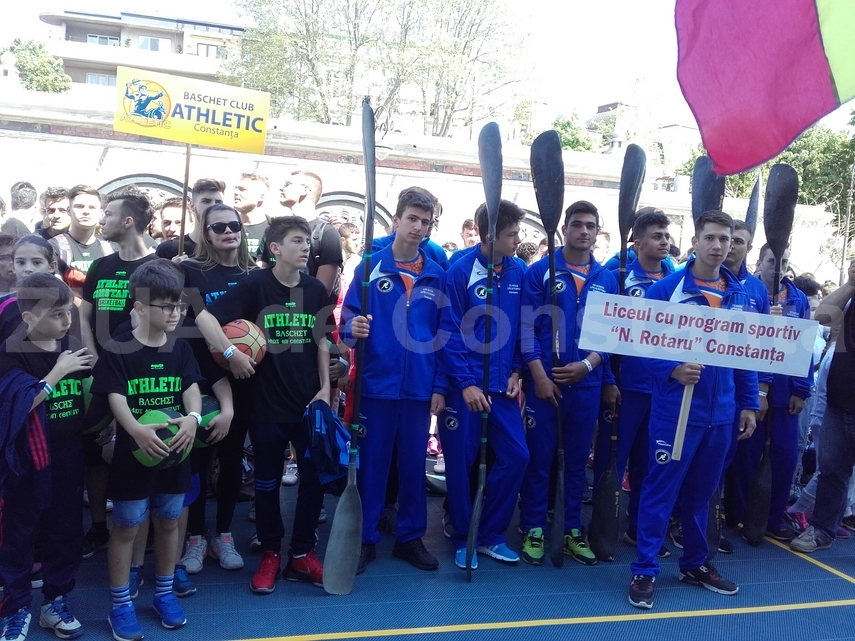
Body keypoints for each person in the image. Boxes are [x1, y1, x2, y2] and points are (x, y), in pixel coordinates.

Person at [627, 210, 759, 610]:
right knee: (660, 491)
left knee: (702, 495)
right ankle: (644, 569)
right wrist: (672, 369)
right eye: (712, 238)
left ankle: (695, 563)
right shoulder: (666, 290)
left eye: (727, 239)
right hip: (676, 412)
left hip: (721, 415)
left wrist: (749, 403)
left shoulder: (741, 294)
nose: (720, 246)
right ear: (695, 242)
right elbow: (637, 345)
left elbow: (747, 355)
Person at [195, 216, 332, 594]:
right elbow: (204, 315)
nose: (305, 247)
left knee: (313, 480)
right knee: (268, 484)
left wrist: (325, 389)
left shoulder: (316, 290)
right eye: (297, 241)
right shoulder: (255, 285)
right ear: (275, 249)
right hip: (267, 403)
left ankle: (301, 554)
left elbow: (322, 340)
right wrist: (228, 351)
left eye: (307, 241)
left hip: (308, 403)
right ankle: (271, 552)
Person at [90, 259, 202, 640]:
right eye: (166, 306)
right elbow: (115, 395)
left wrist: (193, 418)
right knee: (125, 527)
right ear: (139, 307)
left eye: (178, 306)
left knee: (169, 522)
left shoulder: (181, 348)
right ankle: (121, 604)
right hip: (134, 457)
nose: (174, 313)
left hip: (174, 455)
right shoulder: (120, 349)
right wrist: (135, 428)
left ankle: (165, 593)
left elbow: (191, 389)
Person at [341, 188, 445, 574]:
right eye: (412, 218)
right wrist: (353, 326)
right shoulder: (369, 268)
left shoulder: (438, 274)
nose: (418, 227)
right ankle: (365, 537)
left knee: (414, 464)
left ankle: (409, 538)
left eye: (425, 221)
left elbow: (446, 332)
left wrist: (441, 386)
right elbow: (346, 323)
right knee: (373, 466)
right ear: (396, 221)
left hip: (419, 388)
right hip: (376, 385)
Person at [518, 200, 618, 567]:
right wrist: (539, 375)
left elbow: (610, 338)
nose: (584, 231)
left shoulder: (607, 278)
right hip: (545, 385)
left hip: (586, 386)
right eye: (577, 224)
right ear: (564, 230)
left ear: (597, 232)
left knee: (577, 462)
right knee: (539, 459)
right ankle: (532, 527)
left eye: (591, 226)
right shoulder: (539, 271)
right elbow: (526, 327)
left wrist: (590, 367)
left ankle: (572, 528)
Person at [0, 272, 94, 641]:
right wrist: (58, 373)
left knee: (65, 531)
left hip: (68, 453)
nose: (66, 321)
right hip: (25, 459)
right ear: (28, 318)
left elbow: (91, 394)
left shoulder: (70, 345)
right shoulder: (11, 352)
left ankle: (55, 601)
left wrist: (100, 422)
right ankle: (16, 607)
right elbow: (20, 404)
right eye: (56, 314)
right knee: (19, 536)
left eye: (68, 312)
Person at [439, 199, 528, 570]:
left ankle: (491, 534)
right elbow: (447, 333)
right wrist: (464, 383)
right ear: (490, 235)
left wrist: (517, 371)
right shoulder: (460, 272)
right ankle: (464, 537)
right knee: (461, 464)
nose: (517, 239)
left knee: (517, 457)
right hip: (467, 390)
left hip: (502, 389)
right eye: (512, 234)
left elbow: (525, 325)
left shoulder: (519, 271)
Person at [79, 189, 158, 561]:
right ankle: (98, 526)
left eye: (108, 214)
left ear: (128, 222)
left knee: (137, 452)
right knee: (93, 451)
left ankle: (146, 535)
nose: (102, 220)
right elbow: (84, 313)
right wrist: (93, 353)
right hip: (99, 373)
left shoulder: (157, 268)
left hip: (138, 378)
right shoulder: (100, 266)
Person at [179, 204, 254, 578]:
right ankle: (194, 535)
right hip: (197, 377)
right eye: (218, 226)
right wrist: (228, 351)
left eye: (234, 225)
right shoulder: (189, 270)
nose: (228, 231)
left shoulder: (253, 275)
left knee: (231, 457)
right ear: (205, 233)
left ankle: (223, 533)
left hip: (240, 379)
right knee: (195, 461)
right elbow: (196, 316)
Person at [596, 210, 674, 554]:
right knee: (611, 462)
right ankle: (601, 528)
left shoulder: (676, 282)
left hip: (661, 390)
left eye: (666, 236)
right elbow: (605, 338)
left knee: (650, 464)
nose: (664, 242)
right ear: (638, 242)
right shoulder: (619, 278)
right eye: (657, 236)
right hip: (625, 389)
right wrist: (609, 380)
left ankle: (638, 529)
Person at [0, 236, 81, 346]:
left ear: (52, 266)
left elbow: (74, 346)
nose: (28, 268)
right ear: (13, 266)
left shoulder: (66, 304)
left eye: (37, 262)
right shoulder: (4, 305)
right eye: (20, 262)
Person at [51, 185, 114, 292]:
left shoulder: (111, 248)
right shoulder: (53, 247)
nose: (86, 211)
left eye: (92, 207)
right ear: (69, 211)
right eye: (79, 206)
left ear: (101, 213)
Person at [373, 187, 448, 270]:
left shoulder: (437, 253)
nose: (433, 220)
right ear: (396, 219)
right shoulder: (377, 247)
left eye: (432, 214)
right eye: (413, 218)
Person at [156, 179, 225, 261]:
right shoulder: (169, 249)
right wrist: (172, 268)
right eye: (206, 201)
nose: (213, 206)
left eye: (218, 202)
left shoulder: (227, 246)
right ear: (192, 206)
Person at [233, 173, 271, 260]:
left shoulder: (275, 229)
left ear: (262, 196)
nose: (235, 193)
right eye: (236, 189)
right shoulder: (226, 227)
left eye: (242, 190)